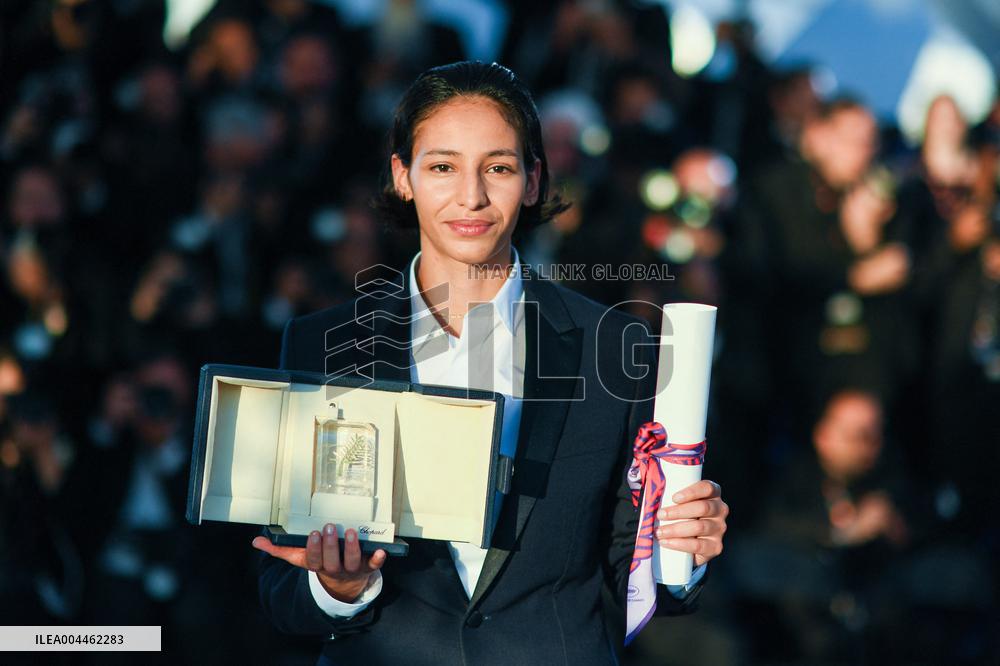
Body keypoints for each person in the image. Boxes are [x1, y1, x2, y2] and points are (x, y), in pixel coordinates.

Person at [252, 61, 728, 665]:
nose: (471, 196)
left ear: (533, 180)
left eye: (497, 167)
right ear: (404, 176)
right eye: (443, 166)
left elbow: (628, 563)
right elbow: (278, 583)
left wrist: (681, 551)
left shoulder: (613, 345)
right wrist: (336, 588)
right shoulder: (323, 343)